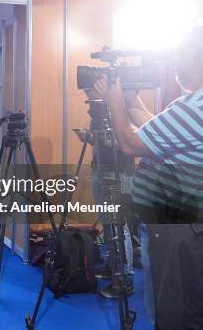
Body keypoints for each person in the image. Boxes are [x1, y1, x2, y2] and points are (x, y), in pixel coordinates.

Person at [94, 25, 203, 329]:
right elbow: (160, 130)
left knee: (173, 308)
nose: (176, 69)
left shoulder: (193, 107)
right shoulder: (192, 107)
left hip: (176, 228)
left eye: (182, 61)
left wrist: (113, 102)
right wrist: (130, 102)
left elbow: (130, 144)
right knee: (187, 302)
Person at [76, 88, 136, 298]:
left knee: (120, 225)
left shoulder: (122, 110)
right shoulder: (98, 113)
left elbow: (128, 145)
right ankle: (112, 266)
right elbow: (101, 143)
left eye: (90, 94)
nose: (89, 100)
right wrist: (88, 138)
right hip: (99, 170)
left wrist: (99, 139)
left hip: (119, 173)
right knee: (108, 223)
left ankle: (125, 278)